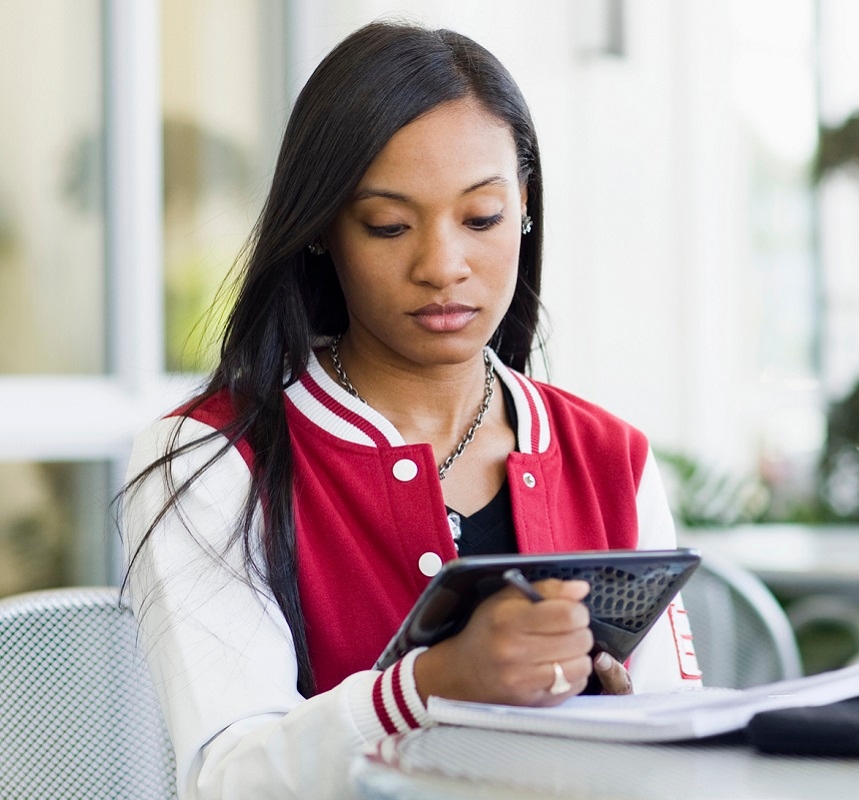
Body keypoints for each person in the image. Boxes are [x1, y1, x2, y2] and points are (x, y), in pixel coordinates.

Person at [121, 21, 700, 799]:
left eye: (483, 217)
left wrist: (620, 726)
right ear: (324, 227)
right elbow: (229, 777)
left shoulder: (609, 456)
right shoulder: (209, 458)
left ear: (526, 207)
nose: (442, 266)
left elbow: (684, 743)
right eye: (388, 225)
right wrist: (427, 685)